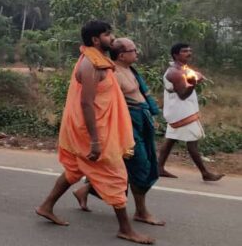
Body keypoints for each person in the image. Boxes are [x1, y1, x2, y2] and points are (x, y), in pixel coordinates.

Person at [35, 21, 153, 245]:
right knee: (117, 176)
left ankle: (46, 206)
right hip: (93, 132)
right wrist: (95, 141)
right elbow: (87, 103)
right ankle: (125, 229)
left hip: (98, 129)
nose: (113, 38)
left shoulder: (100, 61)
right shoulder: (90, 65)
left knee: (74, 169)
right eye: (108, 35)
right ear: (96, 40)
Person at [72, 38, 165, 225]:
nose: (137, 53)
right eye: (133, 50)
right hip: (126, 124)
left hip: (141, 120)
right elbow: (100, 102)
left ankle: (87, 189)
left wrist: (150, 116)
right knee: (140, 166)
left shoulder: (130, 70)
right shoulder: (110, 73)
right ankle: (140, 212)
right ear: (122, 55)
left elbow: (139, 95)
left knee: (133, 166)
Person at [157, 43, 224, 182]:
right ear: (176, 55)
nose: (189, 53)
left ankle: (159, 167)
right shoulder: (174, 72)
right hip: (182, 112)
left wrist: (195, 78)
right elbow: (182, 95)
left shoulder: (182, 68)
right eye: (184, 51)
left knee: (171, 138)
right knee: (192, 141)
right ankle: (205, 173)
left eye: (189, 50)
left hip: (177, 110)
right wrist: (194, 83)